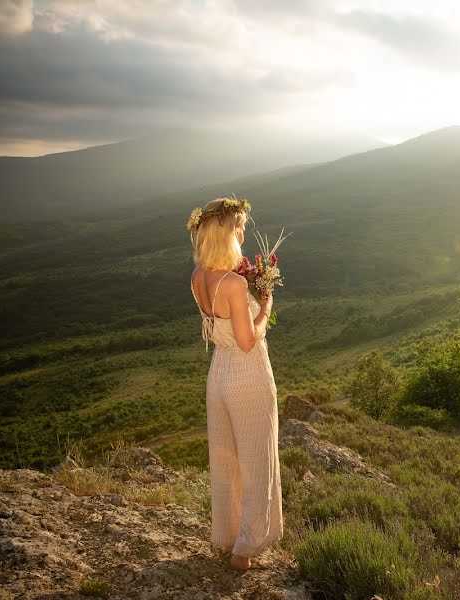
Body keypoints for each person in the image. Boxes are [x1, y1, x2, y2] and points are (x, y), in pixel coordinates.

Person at [187, 197, 283, 571]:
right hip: (247, 374)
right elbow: (248, 339)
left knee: (226, 458)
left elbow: (220, 331)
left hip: (219, 373)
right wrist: (267, 306)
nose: (244, 231)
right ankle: (246, 548)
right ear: (228, 233)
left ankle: (228, 536)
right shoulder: (231, 283)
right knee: (257, 459)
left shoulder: (198, 277)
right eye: (240, 226)